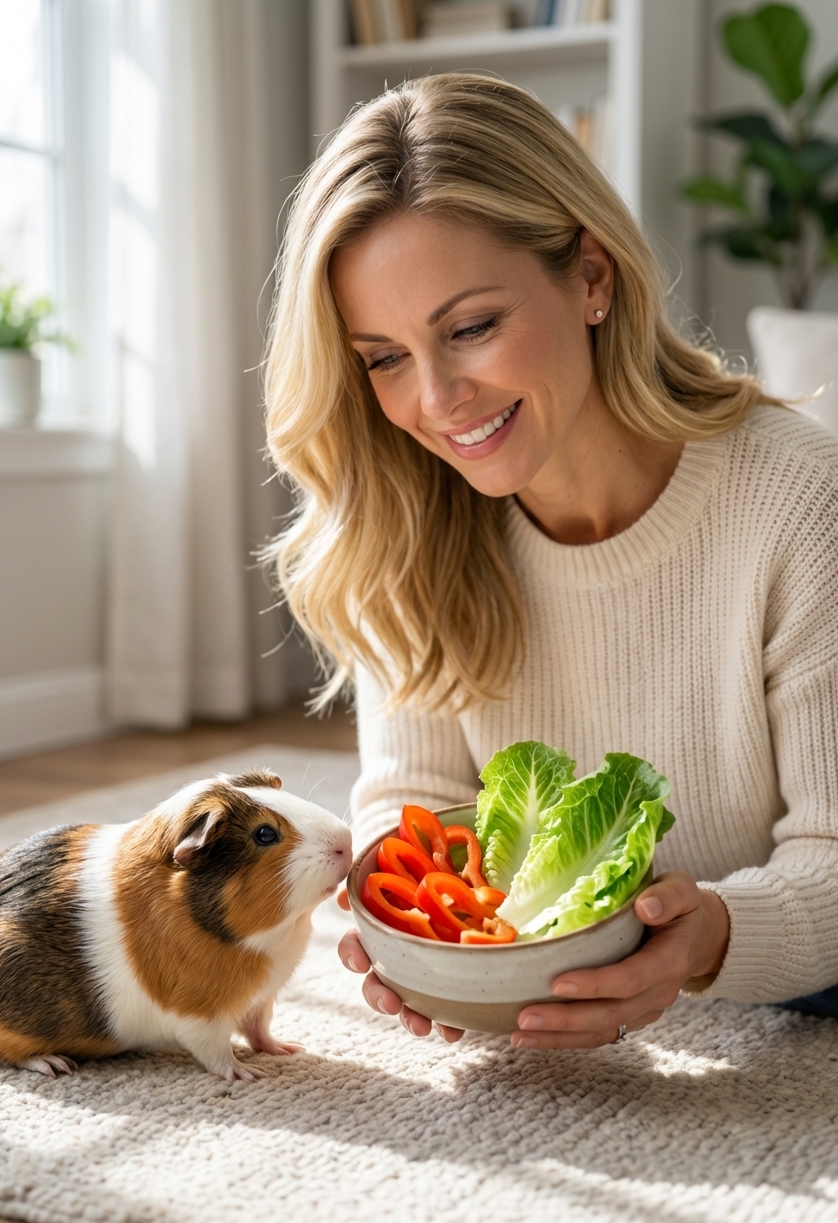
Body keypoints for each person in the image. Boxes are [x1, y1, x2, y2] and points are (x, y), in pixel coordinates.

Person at [263, 73, 838, 1047]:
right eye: (384, 357)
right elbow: (416, 796)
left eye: (472, 327)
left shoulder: (799, 497)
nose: (438, 398)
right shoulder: (410, 519)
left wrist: (706, 940)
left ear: (592, 276)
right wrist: (409, 919)